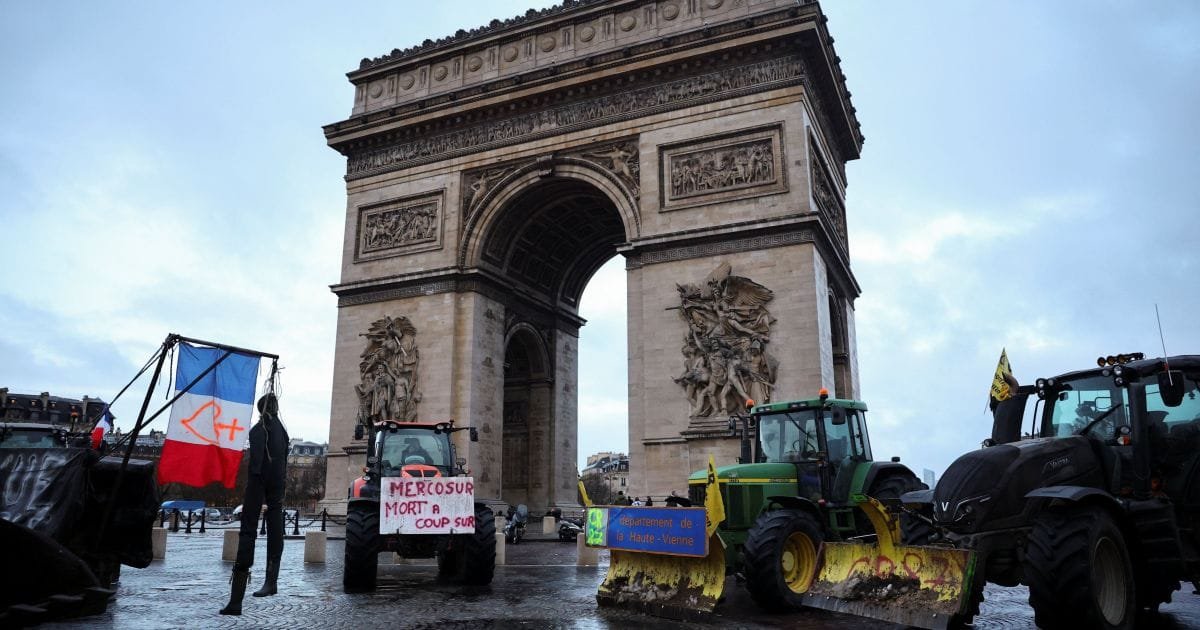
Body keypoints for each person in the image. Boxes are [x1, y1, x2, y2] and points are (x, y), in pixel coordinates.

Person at [221, 393, 290, 615]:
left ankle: (236, 600)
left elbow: (256, 462)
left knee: (248, 530)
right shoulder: (282, 430)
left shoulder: (260, 429)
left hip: (259, 480)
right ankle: (271, 581)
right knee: (276, 526)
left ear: (262, 409)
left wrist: (255, 480)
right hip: (278, 480)